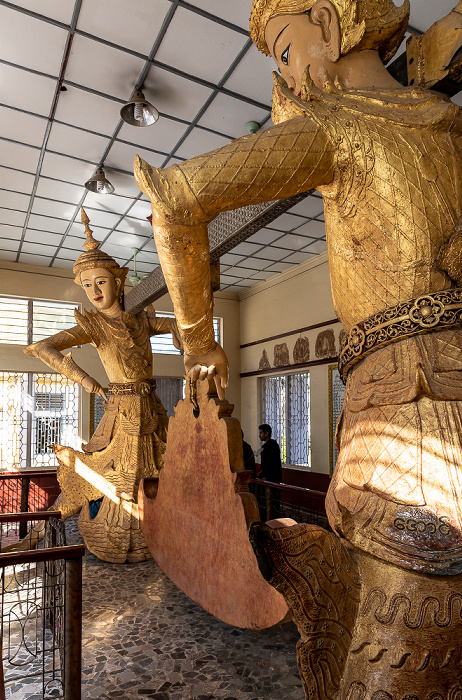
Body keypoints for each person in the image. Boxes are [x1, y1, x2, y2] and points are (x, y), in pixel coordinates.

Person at [134, 0, 462, 576]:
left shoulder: (338, 127)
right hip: (421, 378)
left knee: (397, 621)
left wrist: (196, 340)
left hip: (408, 397)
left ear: (331, 27)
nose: (285, 77)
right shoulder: (446, 122)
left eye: (286, 52)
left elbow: (175, 200)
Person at [23, 209, 181, 563]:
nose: (95, 290)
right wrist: (88, 381)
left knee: (165, 465)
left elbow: (173, 326)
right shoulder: (94, 325)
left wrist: (185, 332)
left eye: (102, 282)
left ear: (118, 282)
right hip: (120, 406)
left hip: (151, 405)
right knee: (109, 471)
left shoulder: (139, 318)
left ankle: (162, 530)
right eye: (88, 284)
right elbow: (41, 347)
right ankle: (88, 529)